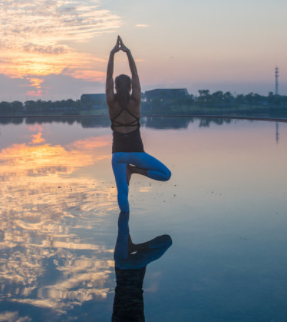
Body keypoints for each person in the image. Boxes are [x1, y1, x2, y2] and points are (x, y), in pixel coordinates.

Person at [106, 36, 171, 214]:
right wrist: (128, 52)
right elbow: (135, 75)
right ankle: (134, 171)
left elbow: (108, 76)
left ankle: (124, 230)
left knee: (122, 193)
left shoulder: (111, 103)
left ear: (116, 89)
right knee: (166, 175)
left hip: (118, 155)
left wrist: (112, 54)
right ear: (129, 88)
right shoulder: (136, 101)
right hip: (137, 154)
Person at [112, 211, 172, 322]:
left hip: (137, 266)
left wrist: (139, 248)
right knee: (123, 230)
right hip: (123, 266)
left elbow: (167, 240)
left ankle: (135, 246)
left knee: (167, 241)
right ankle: (133, 245)